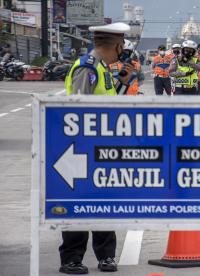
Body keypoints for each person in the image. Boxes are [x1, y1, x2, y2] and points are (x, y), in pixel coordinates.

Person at [62, 22, 134, 274]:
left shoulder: (103, 69)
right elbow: (78, 109)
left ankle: (106, 256)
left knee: (104, 202)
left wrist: (123, 82)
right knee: (79, 204)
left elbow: (109, 103)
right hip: (83, 149)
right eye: (122, 45)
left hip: (103, 148)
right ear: (116, 45)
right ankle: (71, 258)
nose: (122, 50)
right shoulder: (87, 68)